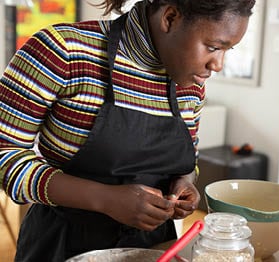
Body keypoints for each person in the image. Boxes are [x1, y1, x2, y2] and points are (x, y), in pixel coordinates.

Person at [0, 0, 254, 260]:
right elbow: (5, 157)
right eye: (213, 47)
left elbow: (189, 159)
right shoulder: (62, 51)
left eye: (228, 50)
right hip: (60, 247)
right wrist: (106, 199)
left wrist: (184, 183)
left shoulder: (190, 82)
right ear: (170, 18)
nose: (218, 65)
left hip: (153, 248)